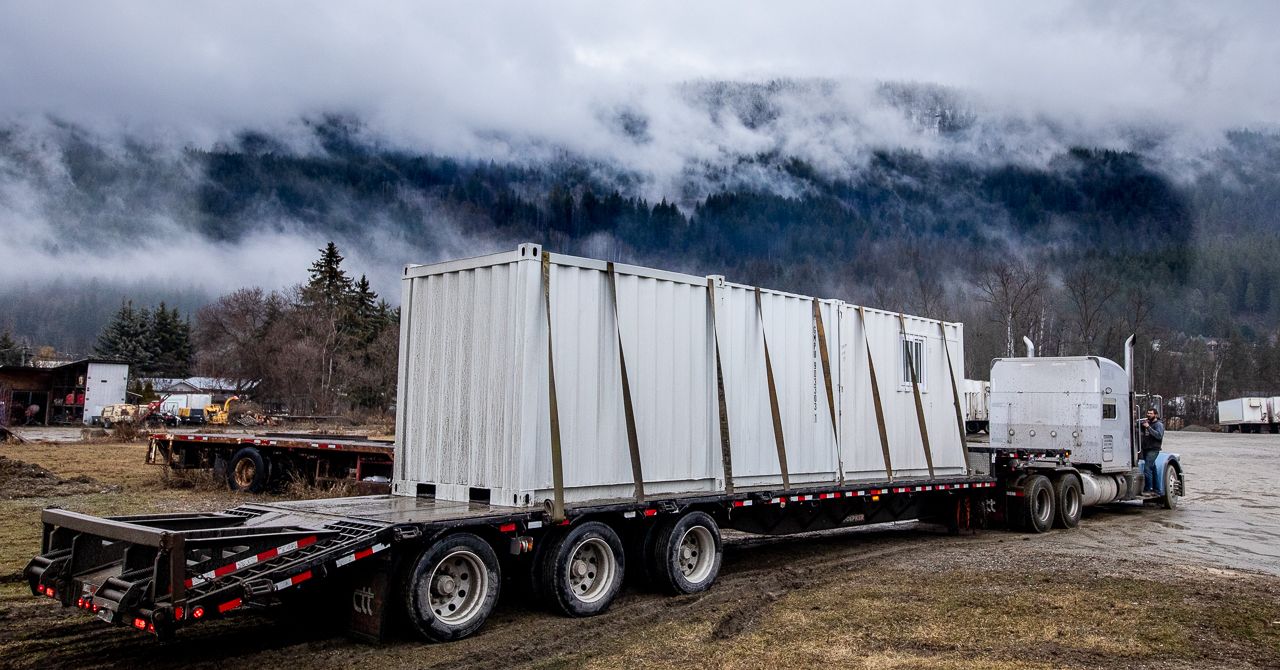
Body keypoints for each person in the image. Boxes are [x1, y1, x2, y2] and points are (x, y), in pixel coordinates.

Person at [1139, 407, 1164, 490]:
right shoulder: (1148, 423)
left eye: (1151, 413)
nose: (1148, 415)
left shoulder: (1158, 424)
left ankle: (1148, 488)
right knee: (1153, 468)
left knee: (1147, 468)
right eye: (1148, 413)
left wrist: (1148, 427)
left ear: (1155, 415)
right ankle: (1157, 489)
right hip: (1146, 449)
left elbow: (1159, 436)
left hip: (1153, 449)